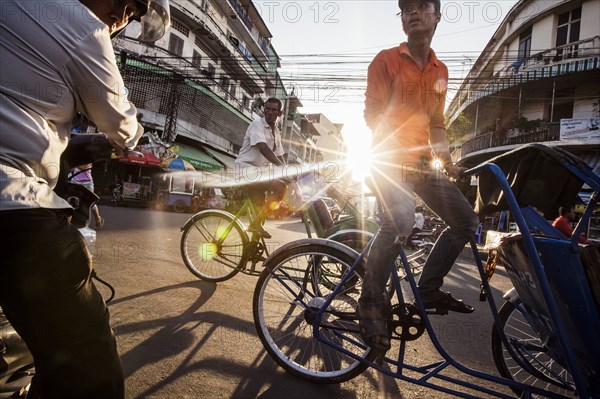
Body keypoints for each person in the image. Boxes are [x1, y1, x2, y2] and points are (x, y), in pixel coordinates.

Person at [0, 0, 169, 397]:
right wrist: (120, 134)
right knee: (91, 378)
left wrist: (68, 146)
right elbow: (122, 126)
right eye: (127, 2)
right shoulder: (82, 27)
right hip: (13, 205)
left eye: (137, 10)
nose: (126, 15)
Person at [358, 0, 480, 352]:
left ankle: (427, 289)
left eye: (421, 5)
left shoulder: (440, 71)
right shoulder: (386, 59)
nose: (412, 12)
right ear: (402, 21)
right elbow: (373, 113)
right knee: (401, 219)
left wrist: (446, 160)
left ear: (437, 16)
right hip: (387, 161)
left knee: (466, 222)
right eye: (405, 8)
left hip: (423, 164)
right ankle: (370, 300)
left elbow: (437, 125)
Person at [235, 97, 287, 239]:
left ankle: (252, 249)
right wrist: (283, 169)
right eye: (267, 109)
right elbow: (263, 149)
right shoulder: (257, 124)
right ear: (264, 109)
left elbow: (279, 155)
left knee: (259, 213)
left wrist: (291, 172)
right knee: (280, 186)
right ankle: (255, 224)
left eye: (273, 110)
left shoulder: (276, 131)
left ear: (279, 114)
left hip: (260, 173)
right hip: (246, 169)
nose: (269, 112)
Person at [69, 163, 104, 229]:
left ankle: (97, 218)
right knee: (72, 201)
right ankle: (69, 222)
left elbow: (84, 167)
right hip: (75, 181)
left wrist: (75, 165)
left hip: (87, 183)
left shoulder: (86, 157)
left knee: (90, 203)